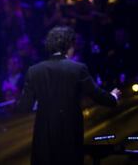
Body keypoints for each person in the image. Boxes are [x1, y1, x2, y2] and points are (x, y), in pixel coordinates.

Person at [16, 26, 121, 165]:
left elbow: (23, 107)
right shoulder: (78, 69)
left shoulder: (34, 71)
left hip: (44, 141)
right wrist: (113, 97)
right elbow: (97, 95)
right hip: (69, 138)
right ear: (69, 45)